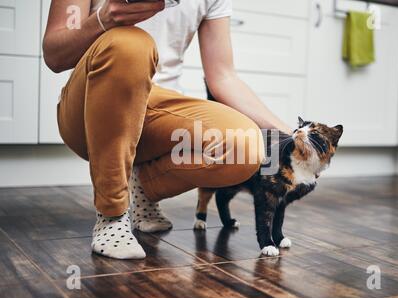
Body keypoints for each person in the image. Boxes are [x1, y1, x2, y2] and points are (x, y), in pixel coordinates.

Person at [43, 0, 292, 259]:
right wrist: (103, 19)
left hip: (157, 113)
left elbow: (223, 76)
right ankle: (112, 214)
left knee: (247, 146)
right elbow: (55, 55)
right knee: (130, 44)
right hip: (88, 110)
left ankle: (142, 187)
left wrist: (292, 136)